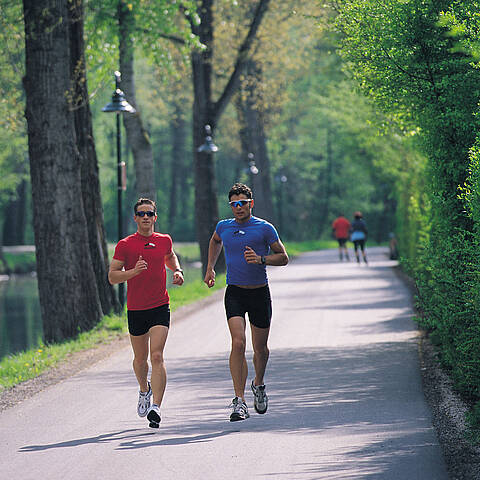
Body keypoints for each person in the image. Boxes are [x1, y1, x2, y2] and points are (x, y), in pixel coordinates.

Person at [204, 183, 289, 422]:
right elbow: (215, 240)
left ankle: (258, 383)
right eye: (234, 204)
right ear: (230, 206)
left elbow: (283, 257)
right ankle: (239, 401)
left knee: (260, 349)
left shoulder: (264, 228)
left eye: (242, 203)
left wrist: (261, 259)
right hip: (235, 293)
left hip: (259, 293)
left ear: (251, 203)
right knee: (238, 342)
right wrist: (210, 268)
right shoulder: (224, 226)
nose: (238, 207)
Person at [108, 198, 184, 428]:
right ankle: (144, 390)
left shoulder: (164, 240)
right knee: (140, 360)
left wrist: (177, 270)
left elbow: (169, 256)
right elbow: (112, 277)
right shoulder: (125, 244)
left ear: (155, 217)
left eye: (149, 213)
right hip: (136, 309)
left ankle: (156, 407)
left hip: (160, 305)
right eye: (141, 214)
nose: (145, 217)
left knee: (157, 356)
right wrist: (133, 272)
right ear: (135, 218)